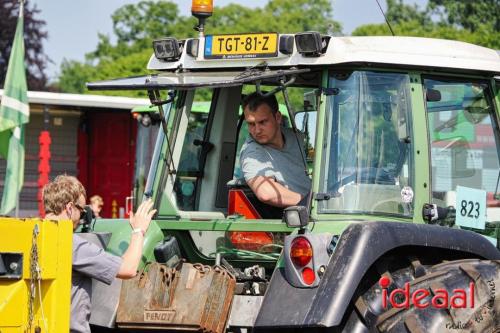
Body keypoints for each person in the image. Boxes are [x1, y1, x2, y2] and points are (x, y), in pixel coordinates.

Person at [42, 175, 156, 333]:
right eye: (82, 212)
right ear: (69, 208)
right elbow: (129, 269)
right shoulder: (70, 244)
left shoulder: (31, 234)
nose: (81, 220)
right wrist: (139, 230)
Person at [240, 92, 312, 208]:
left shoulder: (296, 136)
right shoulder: (252, 153)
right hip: (297, 217)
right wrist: (311, 204)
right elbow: (266, 193)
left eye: (262, 122)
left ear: (277, 117)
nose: (257, 130)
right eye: (251, 124)